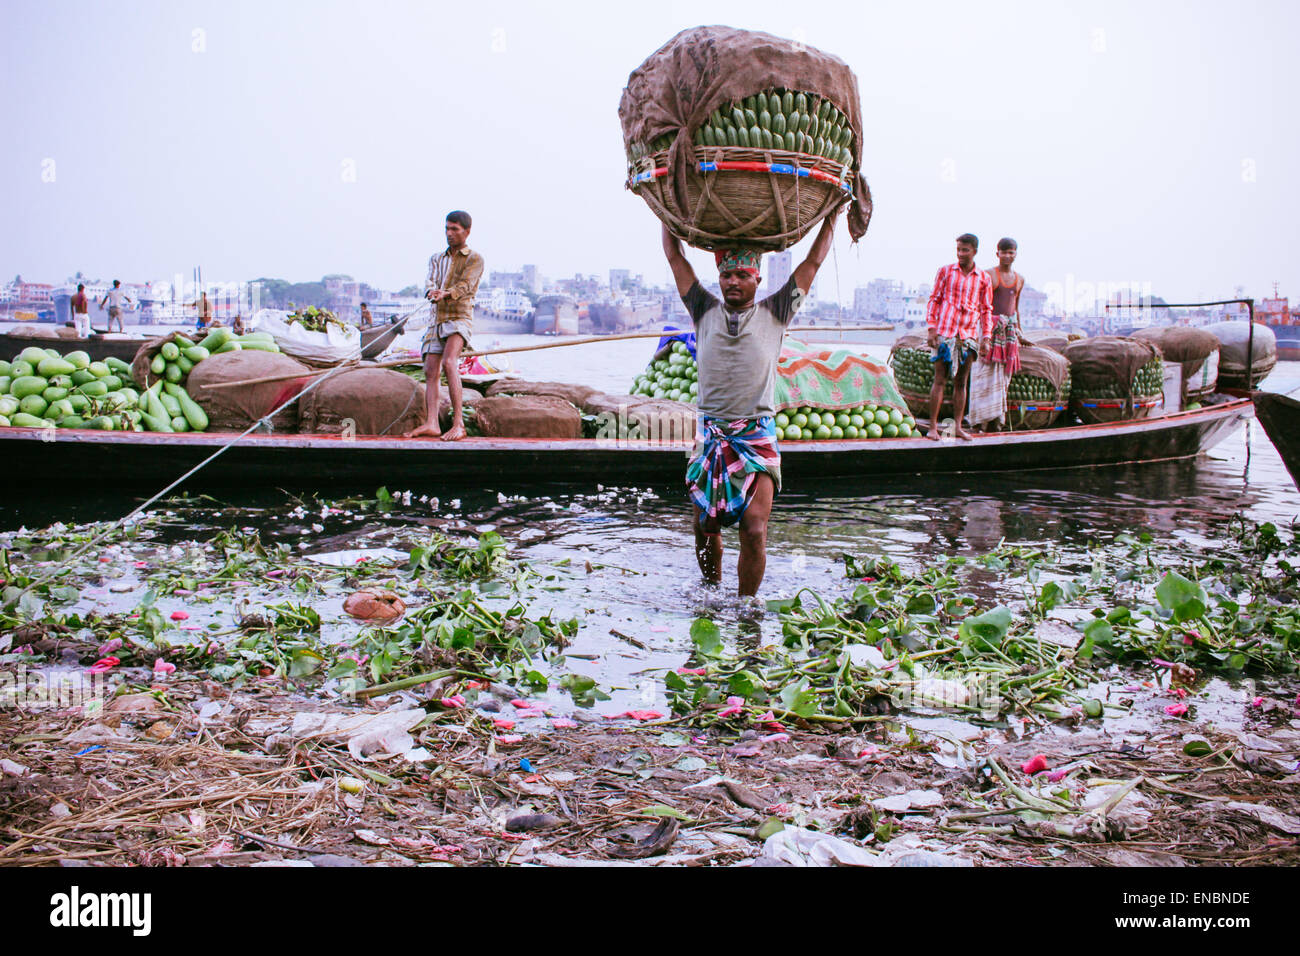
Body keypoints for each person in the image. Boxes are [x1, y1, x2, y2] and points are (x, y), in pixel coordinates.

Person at [662, 209, 839, 598]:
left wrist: (830, 219)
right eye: (727, 275)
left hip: (756, 435)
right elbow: (676, 259)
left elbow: (812, 262)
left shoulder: (777, 311)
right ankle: (710, 594)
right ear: (719, 279)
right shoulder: (703, 309)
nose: (733, 282)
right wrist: (666, 215)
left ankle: (746, 607)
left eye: (742, 275)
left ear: (758, 278)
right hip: (711, 434)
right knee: (704, 526)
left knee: (755, 530)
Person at [404, 210, 484, 441]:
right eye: (447, 229)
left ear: (466, 232)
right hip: (435, 319)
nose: (449, 233)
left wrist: (446, 294)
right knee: (430, 370)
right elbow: (430, 280)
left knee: (450, 362)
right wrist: (431, 291)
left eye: (455, 229)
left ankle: (458, 424)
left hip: (459, 317)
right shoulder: (436, 258)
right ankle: (432, 423)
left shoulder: (474, 258)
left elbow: (466, 286)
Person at [925, 234, 992, 441]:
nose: (961, 254)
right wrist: (931, 329)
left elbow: (986, 310)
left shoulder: (983, 278)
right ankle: (934, 428)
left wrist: (986, 338)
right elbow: (934, 300)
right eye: (959, 250)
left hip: (968, 335)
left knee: (961, 382)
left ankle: (958, 427)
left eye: (965, 250)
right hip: (945, 332)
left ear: (974, 251)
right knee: (940, 380)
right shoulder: (946, 271)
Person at [970, 238, 1033, 432]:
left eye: (1011, 252)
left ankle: (997, 419)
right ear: (997, 253)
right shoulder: (989, 275)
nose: (1007, 256)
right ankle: (981, 421)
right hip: (989, 330)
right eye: (1003, 252)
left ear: (1016, 254)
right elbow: (980, 304)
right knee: (984, 375)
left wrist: (1019, 332)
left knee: (1003, 378)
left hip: (1009, 332)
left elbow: (1016, 308)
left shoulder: (1019, 279)